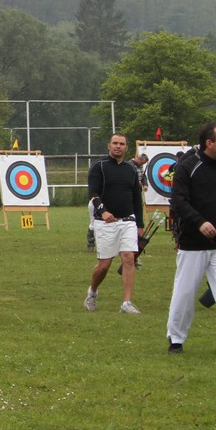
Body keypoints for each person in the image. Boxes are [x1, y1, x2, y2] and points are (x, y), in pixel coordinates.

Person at [164, 124, 216, 353]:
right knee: (185, 293)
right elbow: (178, 200)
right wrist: (200, 222)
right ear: (209, 142)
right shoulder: (188, 167)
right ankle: (176, 338)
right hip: (193, 243)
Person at [85, 132, 144, 314]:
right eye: (115, 143)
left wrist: (139, 224)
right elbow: (93, 193)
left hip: (127, 221)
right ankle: (92, 292)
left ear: (126, 148)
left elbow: (136, 198)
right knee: (104, 265)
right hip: (105, 223)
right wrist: (103, 211)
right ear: (109, 146)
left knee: (128, 258)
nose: (118, 146)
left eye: (122, 144)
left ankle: (126, 303)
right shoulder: (99, 167)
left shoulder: (131, 170)